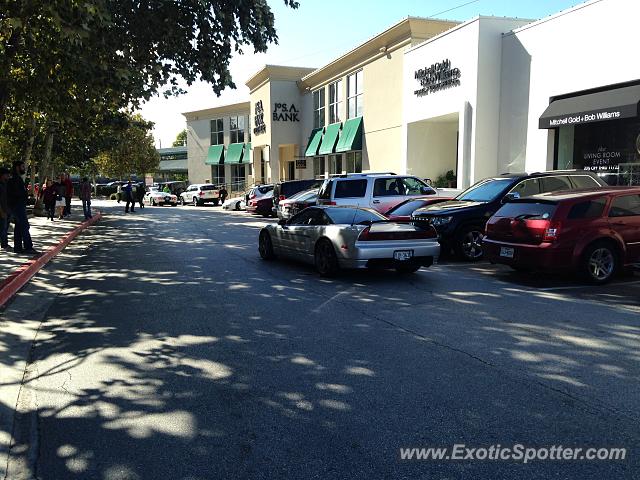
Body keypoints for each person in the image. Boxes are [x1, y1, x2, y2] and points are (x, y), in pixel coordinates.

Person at [7, 161, 37, 255]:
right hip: (17, 206)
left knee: (19, 227)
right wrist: (25, 193)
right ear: (17, 167)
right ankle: (28, 247)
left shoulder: (17, 178)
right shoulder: (14, 179)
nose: (24, 168)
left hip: (18, 205)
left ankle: (18, 248)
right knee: (24, 226)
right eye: (22, 167)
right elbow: (14, 193)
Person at [0, 167, 10, 250]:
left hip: (6, 209)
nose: (8, 176)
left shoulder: (5, 184)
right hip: (2, 210)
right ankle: (4, 244)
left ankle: (4, 243)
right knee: (3, 227)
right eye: (7, 175)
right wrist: (2, 211)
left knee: (5, 227)